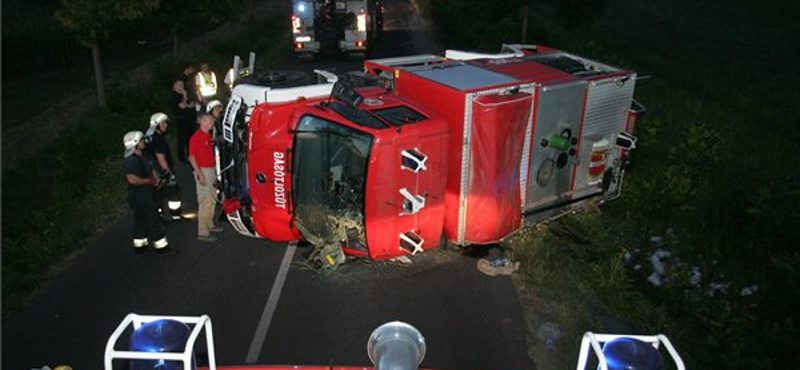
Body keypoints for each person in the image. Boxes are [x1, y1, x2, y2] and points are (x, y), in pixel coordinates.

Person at [123, 131, 169, 252]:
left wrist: (158, 179)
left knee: (141, 220)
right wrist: (150, 181)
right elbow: (132, 179)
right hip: (141, 195)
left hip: (144, 194)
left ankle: (140, 246)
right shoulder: (131, 160)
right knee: (154, 219)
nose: (143, 142)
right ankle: (161, 247)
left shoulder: (142, 156)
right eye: (141, 140)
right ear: (134, 143)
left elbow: (151, 169)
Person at [189, 114, 223, 242]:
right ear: (202, 122)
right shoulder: (196, 137)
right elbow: (191, 157)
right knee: (205, 201)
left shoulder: (208, 136)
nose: (212, 123)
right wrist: (200, 174)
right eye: (209, 121)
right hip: (204, 171)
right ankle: (203, 232)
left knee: (212, 199)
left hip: (211, 170)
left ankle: (210, 225)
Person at [145, 112, 182, 221]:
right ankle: (175, 216)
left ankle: (159, 218)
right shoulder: (158, 139)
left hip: (152, 171)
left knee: (158, 196)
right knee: (173, 192)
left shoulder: (149, 136)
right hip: (161, 172)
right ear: (157, 125)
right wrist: (169, 174)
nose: (166, 125)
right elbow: (161, 158)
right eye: (163, 123)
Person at [171, 78, 198, 164]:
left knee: (190, 139)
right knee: (183, 140)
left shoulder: (181, 95)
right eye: (180, 85)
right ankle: (183, 159)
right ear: (175, 85)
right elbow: (182, 106)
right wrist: (185, 96)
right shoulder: (174, 96)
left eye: (182, 85)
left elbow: (187, 105)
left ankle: (191, 156)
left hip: (189, 119)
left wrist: (190, 105)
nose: (182, 87)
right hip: (182, 120)